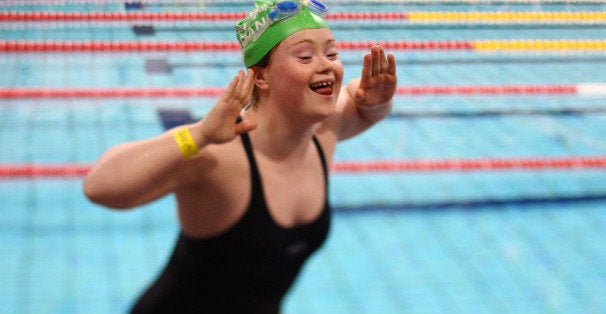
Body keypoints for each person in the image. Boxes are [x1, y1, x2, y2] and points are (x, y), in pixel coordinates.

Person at [83, 0, 397, 312]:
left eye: (332, 53)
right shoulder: (219, 155)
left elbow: (363, 105)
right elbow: (100, 187)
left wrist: (375, 103)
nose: (328, 65)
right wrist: (199, 134)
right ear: (260, 77)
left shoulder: (324, 131)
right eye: (305, 56)